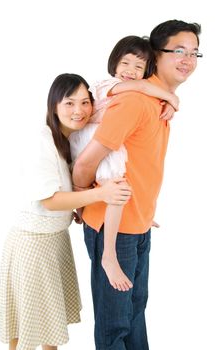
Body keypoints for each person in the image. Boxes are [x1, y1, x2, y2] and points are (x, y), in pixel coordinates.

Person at [72, 20, 203, 350]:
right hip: (112, 227)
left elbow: (140, 166)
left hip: (137, 222)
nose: (188, 59)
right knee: (116, 323)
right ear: (156, 56)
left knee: (134, 312)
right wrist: (82, 201)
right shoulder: (134, 102)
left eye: (194, 52)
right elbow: (87, 161)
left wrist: (143, 210)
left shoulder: (161, 103)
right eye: (178, 51)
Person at [0, 73, 131, 350]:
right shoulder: (41, 140)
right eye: (69, 103)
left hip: (54, 241)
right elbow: (49, 200)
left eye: (84, 102)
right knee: (29, 332)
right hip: (33, 244)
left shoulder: (70, 139)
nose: (78, 111)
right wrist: (101, 194)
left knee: (45, 328)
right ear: (54, 105)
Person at [69, 35, 179, 292]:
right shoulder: (108, 85)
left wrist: (168, 102)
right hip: (89, 141)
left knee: (117, 188)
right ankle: (109, 254)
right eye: (125, 63)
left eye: (138, 67)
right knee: (116, 188)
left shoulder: (139, 97)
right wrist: (173, 99)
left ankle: (100, 216)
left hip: (104, 145)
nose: (130, 71)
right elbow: (142, 88)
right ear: (114, 63)